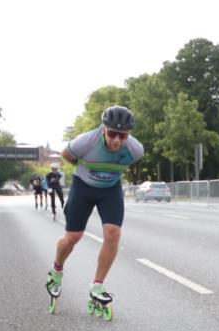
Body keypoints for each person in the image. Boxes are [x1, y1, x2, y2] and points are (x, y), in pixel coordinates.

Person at [45, 106, 144, 314]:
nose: (116, 140)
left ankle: (97, 285)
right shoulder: (85, 142)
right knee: (72, 237)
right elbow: (67, 155)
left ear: (129, 135)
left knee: (113, 234)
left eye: (122, 135)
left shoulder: (135, 150)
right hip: (83, 187)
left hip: (110, 190)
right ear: (103, 130)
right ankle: (56, 270)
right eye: (112, 134)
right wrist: (87, 170)